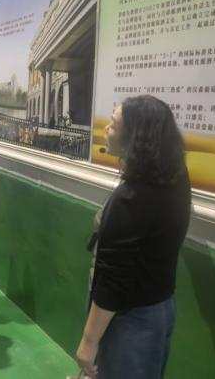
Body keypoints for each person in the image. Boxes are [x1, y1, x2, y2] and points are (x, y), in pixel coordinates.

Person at [76, 95, 191, 379]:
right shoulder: (176, 175)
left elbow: (114, 279)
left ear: (135, 138)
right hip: (160, 306)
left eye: (114, 125)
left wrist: (89, 342)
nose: (106, 129)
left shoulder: (133, 197)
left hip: (130, 318)